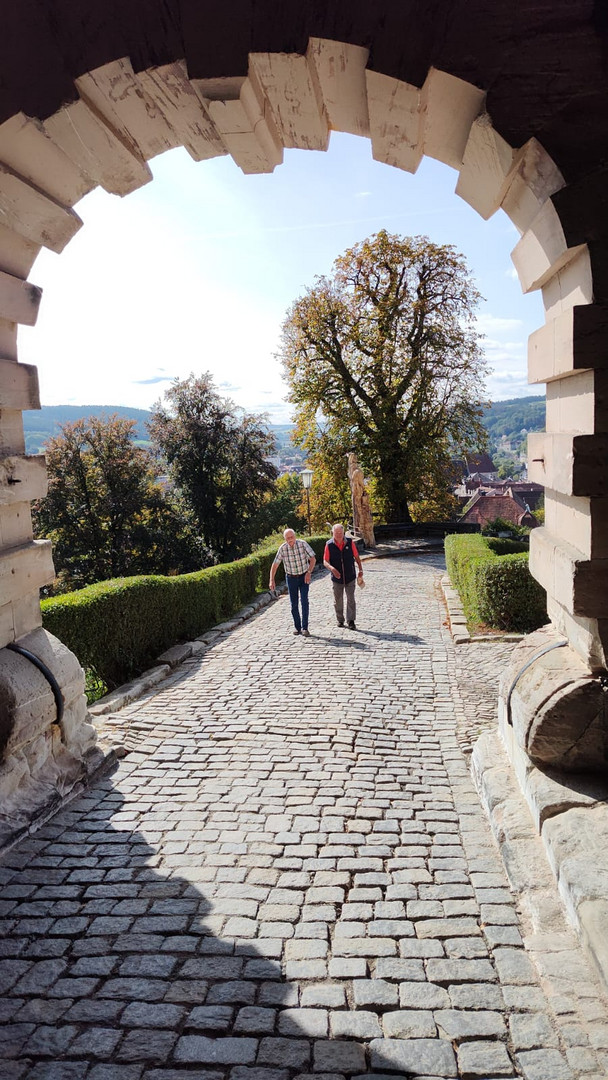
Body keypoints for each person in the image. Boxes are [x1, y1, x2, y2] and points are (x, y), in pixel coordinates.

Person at [269, 528, 316, 636]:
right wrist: (271, 579)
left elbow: (313, 558)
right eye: (287, 538)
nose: (290, 540)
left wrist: (309, 572)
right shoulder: (283, 548)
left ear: (295, 536)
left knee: (304, 600)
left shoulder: (302, 544)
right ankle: (297, 627)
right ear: (285, 539)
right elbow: (275, 565)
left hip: (304, 576)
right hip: (291, 578)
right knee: (293, 604)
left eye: (291, 537)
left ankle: (305, 628)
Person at [323, 523, 364, 630]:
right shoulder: (329, 544)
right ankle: (340, 619)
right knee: (338, 600)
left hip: (350, 575)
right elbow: (325, 561)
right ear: (333, 533)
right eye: (336, 533)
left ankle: (351, 620)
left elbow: (356, 556)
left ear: (343, 532)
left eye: (340, 533)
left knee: (351, 599)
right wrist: (332, 569)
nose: (339, 535)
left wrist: (360, 569)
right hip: (337, 577)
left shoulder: (350, 542)